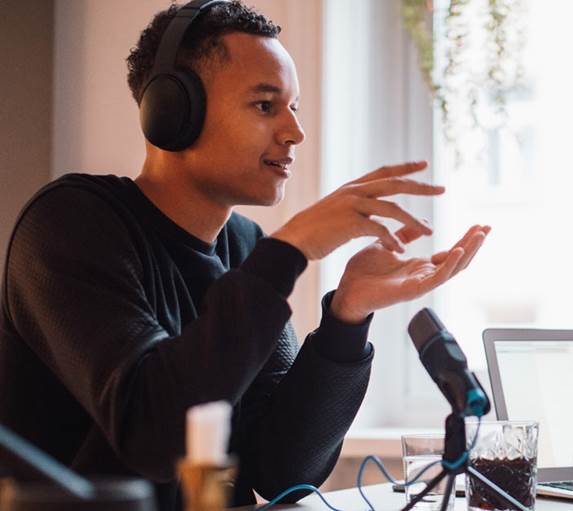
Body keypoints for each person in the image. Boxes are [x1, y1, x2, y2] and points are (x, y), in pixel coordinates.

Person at [0, 1, 488, 509]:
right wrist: (291, 247)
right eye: (264, 105)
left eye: (294, 106)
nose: (294, 131)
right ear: (173, 112)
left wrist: (347, 315)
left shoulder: (245, 246)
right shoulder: (71, 223)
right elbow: (154, 434)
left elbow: (283, 469)